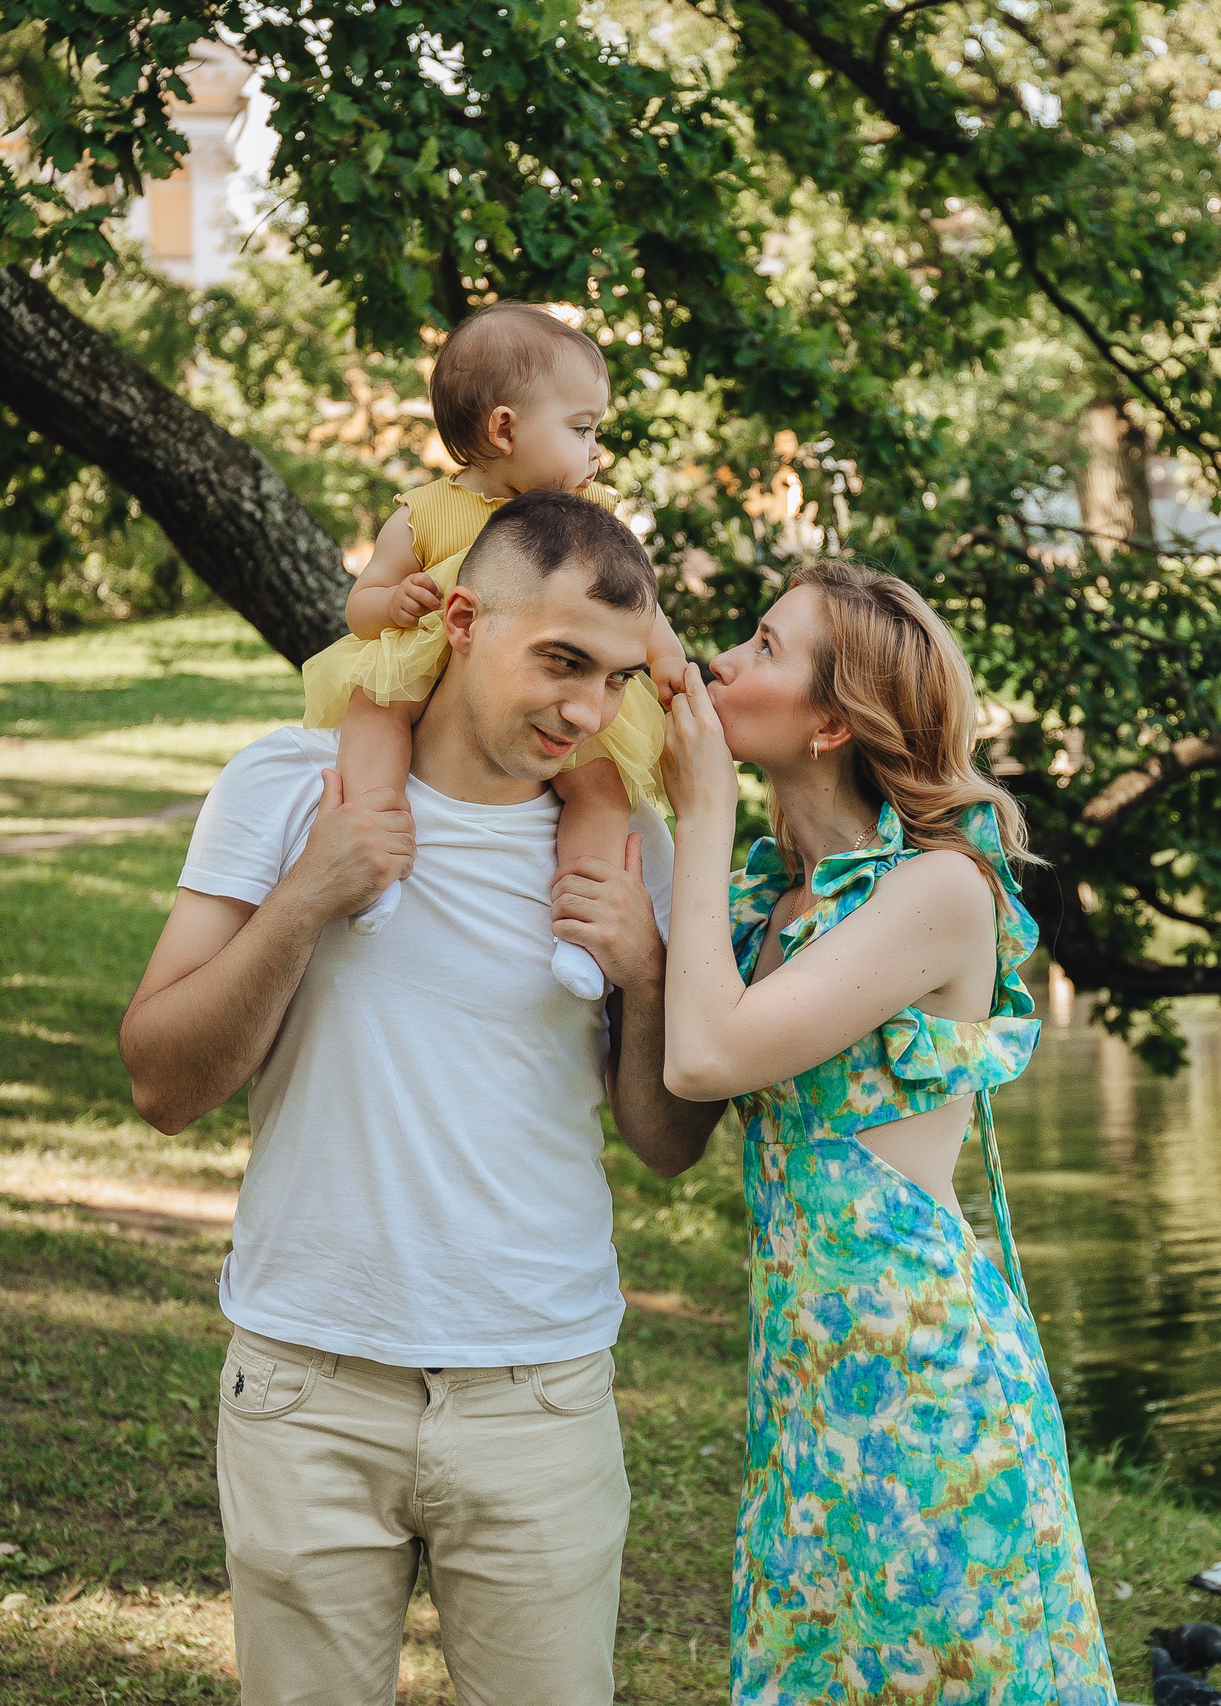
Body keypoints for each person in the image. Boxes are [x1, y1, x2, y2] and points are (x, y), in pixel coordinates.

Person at [118, 491, 723, 1706]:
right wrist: (309, 894)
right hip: (307, 1383)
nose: (585, 712)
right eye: (560, 661)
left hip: (540, 1390)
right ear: (456, 618)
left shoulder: (627, 850)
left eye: (613, 679)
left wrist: (646, 977)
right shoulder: (288, 790)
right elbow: (162, 1079)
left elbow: (663, 1144)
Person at [656, 560, 1117, 1703]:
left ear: (829, 721)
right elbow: (670, 1118)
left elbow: (706, 1055)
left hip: (924, 1385)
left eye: (764, 647)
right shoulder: (772, 901)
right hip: (809, 1386)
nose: (726, 661)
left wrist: (700, 807)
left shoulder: (938, 890)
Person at [302, 300, 688, 997]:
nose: (596, 452)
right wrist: (393, 603)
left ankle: (583, 927)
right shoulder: (425, 512)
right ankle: (376, 859)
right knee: (375, 715)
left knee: (597, 787)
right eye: (580, 428)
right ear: (504, 429)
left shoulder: (590, 521)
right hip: (426, 665)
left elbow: (637, 609)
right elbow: (360, 605)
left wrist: (667, 664)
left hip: (529, 690)